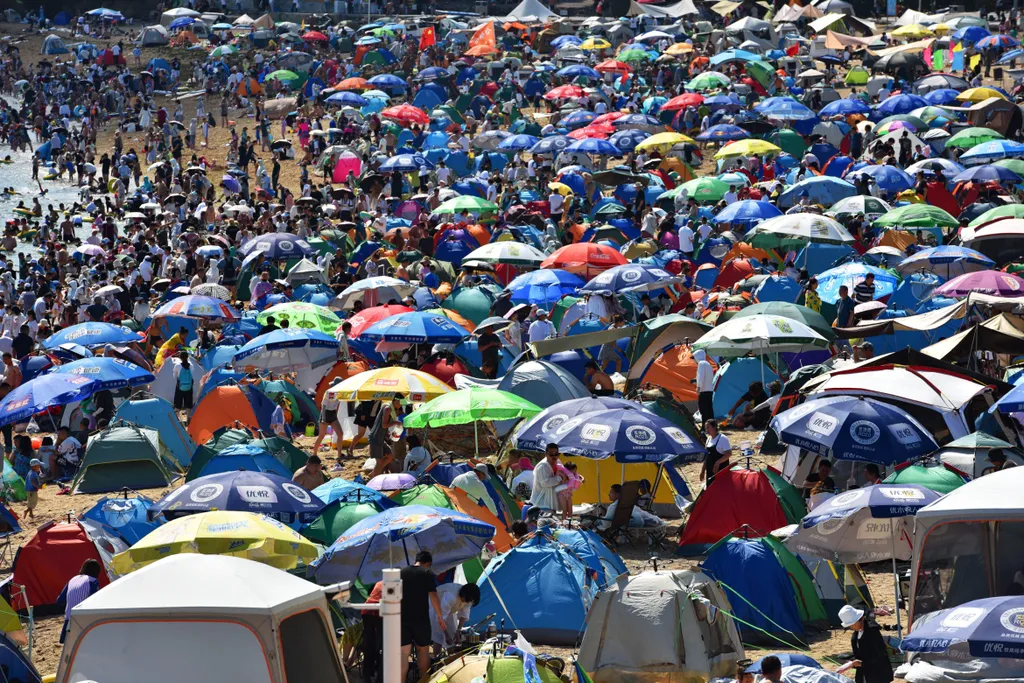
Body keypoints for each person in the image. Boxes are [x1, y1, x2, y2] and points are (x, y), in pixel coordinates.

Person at [400, 551, 445, 682]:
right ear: (428, 564)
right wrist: (440, 616)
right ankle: (423, 680)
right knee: (423, 651)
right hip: (421, 620)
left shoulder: (400, 573)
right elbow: (434, 596)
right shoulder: (427, 573)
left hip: (401, 620)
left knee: (403, 655)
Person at [840, 605, 894, 683]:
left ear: (859, 619)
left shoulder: (872, 631)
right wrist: (852, 662)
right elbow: (860, 653)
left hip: (878, 674)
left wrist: (863, 663)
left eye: (852, 624)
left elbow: (879, 654)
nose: (851, 627)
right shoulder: (856, 635)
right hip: (865, 674)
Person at [57, 559, 103, 643]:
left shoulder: (72, 579)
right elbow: (96, 600)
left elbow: (60, 600)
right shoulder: (93, 581)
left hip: (68, 619)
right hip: (83, 619)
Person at [429, 583, 481, 649]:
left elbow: (464, 614)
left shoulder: (469, 598)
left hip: (450, 610)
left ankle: (450, 654)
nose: (465, 602)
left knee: (453, 633)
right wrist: (446, 635)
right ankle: (436, 656)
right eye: (465, 600)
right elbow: (441, 617)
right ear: (463, 595)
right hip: (434, 608)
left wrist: (458, 631)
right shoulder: (451, 596)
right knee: (439, 636)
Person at [313, 388, 345, 467]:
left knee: (340, 434)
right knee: (321, 435)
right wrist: (323, 418)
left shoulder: (341, 391)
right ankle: (314, 454)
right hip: (326, 413)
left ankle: (339, 454)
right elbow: (323, 405)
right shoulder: (329, 392)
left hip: (333, 414)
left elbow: (337, 404)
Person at [529, 443, 562, 512]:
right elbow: (545, 483)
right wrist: (560, 478)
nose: (554, 456)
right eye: (551, 454)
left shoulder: (558, 462)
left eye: (556, 454)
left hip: (552, 502)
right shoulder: (542, 466)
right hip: (541, 504)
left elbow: (565, 472)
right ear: (546, 454)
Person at [700, 420, 731, 485]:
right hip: (710, 471)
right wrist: (702, 471)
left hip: (720, 471)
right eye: (706, 427)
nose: (706, 429)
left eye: (708, 427)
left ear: (714, 427)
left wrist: (718, 462)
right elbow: (706, 457)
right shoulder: (708, 439)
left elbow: (728, 454)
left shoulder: (723, 438)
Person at [693, 349, 715, 422]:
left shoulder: (701, 363)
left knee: (703, 409)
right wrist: (696, 380)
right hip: (709, 390)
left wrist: (698, 387)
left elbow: (701, 376)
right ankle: (712, 425)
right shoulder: (708, 364)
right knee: (709, 409)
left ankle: (704, 426)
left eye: (694, 358)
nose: (694, 360)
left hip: (703, 390)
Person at [171, 351, 194, 418]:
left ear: (180, 358)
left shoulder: (177, 365)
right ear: (187, 357)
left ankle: (178, 419)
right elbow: (191, 376)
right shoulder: (191, 365)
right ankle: (188, 418)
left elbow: (174, 376)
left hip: (180, 386)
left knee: (178, 403)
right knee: (188, 403)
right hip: (189, 387)